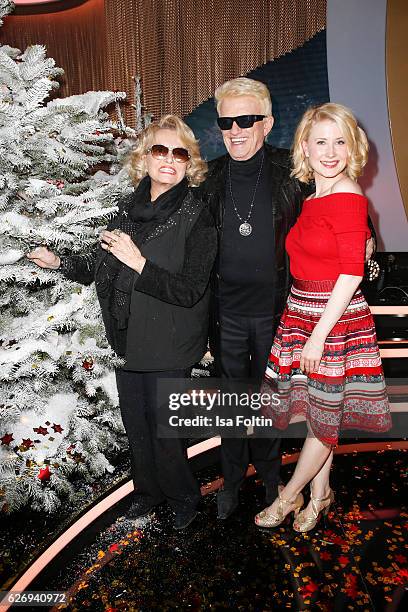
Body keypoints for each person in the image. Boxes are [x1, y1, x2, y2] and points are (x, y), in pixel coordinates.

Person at [27, 115, 217, 530]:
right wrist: (58, 261)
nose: (169, 159)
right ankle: (147, 494)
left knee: (166, 435)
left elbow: (190, 290)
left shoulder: (197, 215)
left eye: (179, 152)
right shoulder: (125, 210)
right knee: (137, 428)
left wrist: (139, 262)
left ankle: (184, 498)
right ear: (144, 157)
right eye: (159, 150)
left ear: (190, 163)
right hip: (128, 338)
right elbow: (100, 266)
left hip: (170, 340)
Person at [255, 103, 391, 531]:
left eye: (340, 142)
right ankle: (320, 495)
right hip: (304, 312)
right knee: (319, 414)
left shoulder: (348, 197)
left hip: (331, 320)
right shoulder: (315, 196)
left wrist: (317, 336)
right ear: (306, 148)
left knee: (322, 417)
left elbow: (351, 273)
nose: (330, 152)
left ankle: (288, 495)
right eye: (321, 142)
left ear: (353, 148)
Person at [199, 77, 313, 520]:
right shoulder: (207, 178)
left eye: (246, 119)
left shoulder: (294, 172)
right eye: (227, 121)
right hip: (225, 317)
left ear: (267, 122)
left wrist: (366, 243)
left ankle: (269, 480)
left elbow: (335, 208)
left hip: (276, 315)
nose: (235, 130)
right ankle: (231, 481)